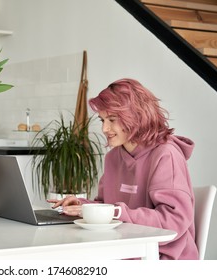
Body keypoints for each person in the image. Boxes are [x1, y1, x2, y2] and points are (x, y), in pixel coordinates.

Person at [49, 78, 199, 260]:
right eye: (102, 120)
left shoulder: (166, 155)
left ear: (136, 116)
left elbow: (173, 222)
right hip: (123, 249)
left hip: (163, 258)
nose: (105, 128)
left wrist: (116, 212)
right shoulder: (113, 157)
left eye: (112, 120)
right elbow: (108, 206)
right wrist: (83, 206)